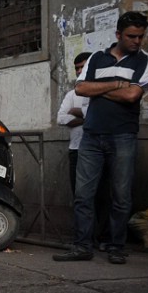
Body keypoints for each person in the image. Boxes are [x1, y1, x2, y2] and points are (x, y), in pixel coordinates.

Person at [53, 11, 148, 265]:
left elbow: (133, 96)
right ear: (118, 35)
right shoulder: (97, 58)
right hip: (92, 136)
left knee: (121, 195)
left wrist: (100, 89)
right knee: (83, 194)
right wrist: (119, 84)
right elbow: (80, 88)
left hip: (123, 135)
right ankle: (82, 246)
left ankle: (116, 247)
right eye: (131, 36)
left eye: (141, 36)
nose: (137, 41)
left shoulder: (145, 61)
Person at [57, 52, 93, 194]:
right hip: (76, 150)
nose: (79, 71)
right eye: (76, 68)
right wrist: (86, 119)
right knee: (77, 191)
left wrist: (76, 112)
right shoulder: (71, 95)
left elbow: (99, 115)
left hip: (96, 151)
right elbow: (61, 118)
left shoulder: (102, 92)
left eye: (82, 67)